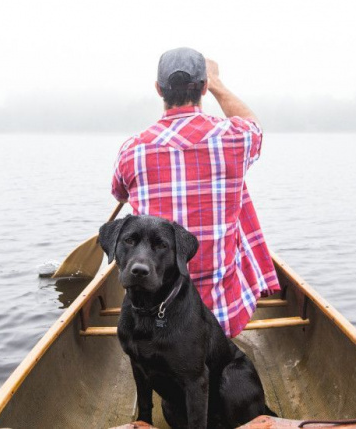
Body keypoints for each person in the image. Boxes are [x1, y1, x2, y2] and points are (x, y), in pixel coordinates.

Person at [110, 47, 280, 338]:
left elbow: (119, 193)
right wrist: (217, 82)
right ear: (203, 87)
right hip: (221, 317)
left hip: (155, 317)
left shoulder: (132, 150)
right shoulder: (236, 138)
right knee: (240, 208)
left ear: (158, 89)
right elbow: (255, 126)